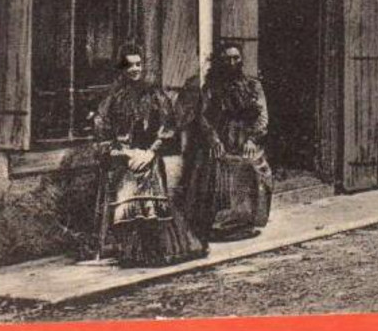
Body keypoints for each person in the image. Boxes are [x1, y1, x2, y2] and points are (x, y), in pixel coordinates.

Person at [92, 44, 208, 267]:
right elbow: (102, 132)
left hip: (148, 155)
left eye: (138, 64)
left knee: (148, 178)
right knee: (127, 185)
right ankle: (128, 250)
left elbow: (167, 127)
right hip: (121, 157)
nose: (135, 69)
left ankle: (152, 250)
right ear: (121, 68)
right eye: (129, 65)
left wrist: (149, 152)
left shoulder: (154, 94)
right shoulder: (111, 98)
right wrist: (125, 152)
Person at [181, 40, 272, 241]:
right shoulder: (211, 88)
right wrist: (213, 139)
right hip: (220, 137)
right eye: (227, 59)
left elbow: (262, 116)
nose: (232, 63)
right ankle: (219, 224)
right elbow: (203, 116)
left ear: (241, 60)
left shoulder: (253, 85)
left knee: (251, 166)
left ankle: (244, 221)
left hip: (244, 138)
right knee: (215, 168)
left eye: (236, 58)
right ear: (219, 62)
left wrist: (252, 139)